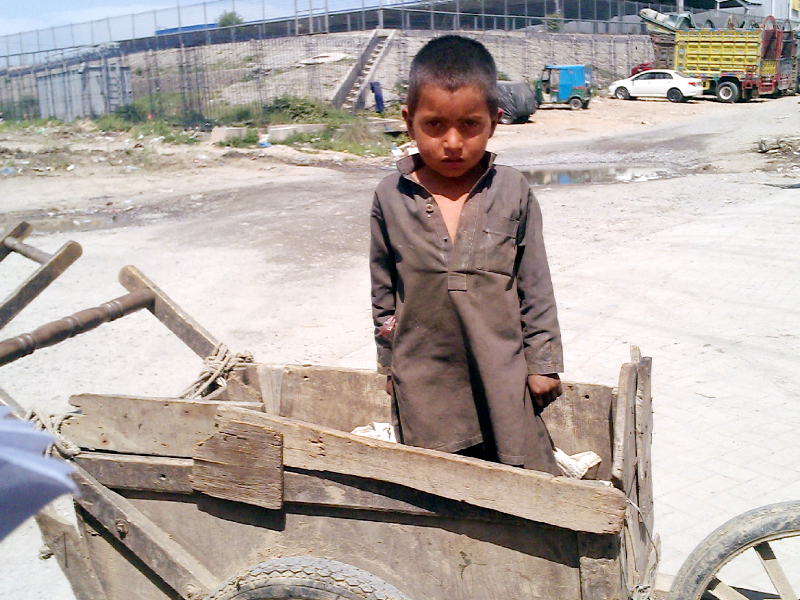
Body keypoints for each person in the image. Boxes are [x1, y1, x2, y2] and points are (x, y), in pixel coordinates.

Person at [369, 35, 563, 474]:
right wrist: (389, 365)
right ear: (408, 121)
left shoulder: (512, 190)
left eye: (469, 125)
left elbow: (535, 284)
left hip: (503, 376)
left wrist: (543, 363)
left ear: (494, 122)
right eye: (435, 125)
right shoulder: (390, 196)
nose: (452, 142)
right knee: (439, 483)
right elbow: (383, 293)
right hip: (424, 380)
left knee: (520, 473)